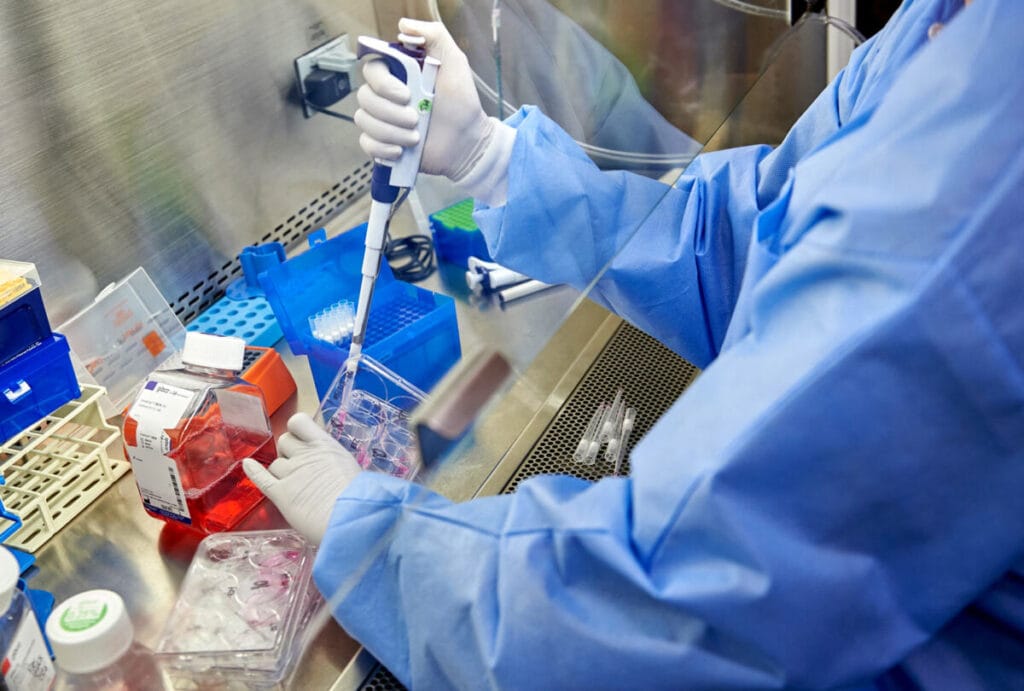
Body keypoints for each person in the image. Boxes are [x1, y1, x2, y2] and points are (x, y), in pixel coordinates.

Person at [244, 0, 1024, 687]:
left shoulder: (987, 154)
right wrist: (494, 160)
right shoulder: (951, 23)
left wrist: (376, 539)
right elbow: (755, 236)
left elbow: (657, 613)